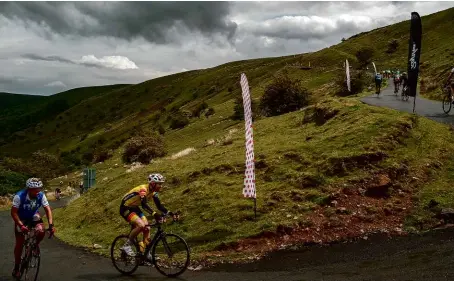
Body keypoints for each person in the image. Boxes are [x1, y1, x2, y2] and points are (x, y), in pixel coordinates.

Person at [119, 173, 176, 256]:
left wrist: (170, 213)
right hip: (125, 207)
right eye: (159, 184)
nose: (161, 186)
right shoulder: (143, 190)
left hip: (134, 208)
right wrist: (155, 214)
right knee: (141, 225)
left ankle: (146, 253)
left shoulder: (153, 192)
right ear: (153, 184)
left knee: (147, 228)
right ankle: (127, 246)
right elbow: (144, 205)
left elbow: (159, 206)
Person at [11, 178, 55, 278]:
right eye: (35, 189)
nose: (37, 191)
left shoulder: (41, 195)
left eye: (39, 189)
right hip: (21, 218)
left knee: (41, 230)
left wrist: (51, 225)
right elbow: (13, 212)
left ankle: (34, 247)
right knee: (19, 243)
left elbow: (48, 210)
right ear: (29, 189)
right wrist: (21, 225)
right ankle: (17, 266)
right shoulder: (19, 196)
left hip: (33, 215)